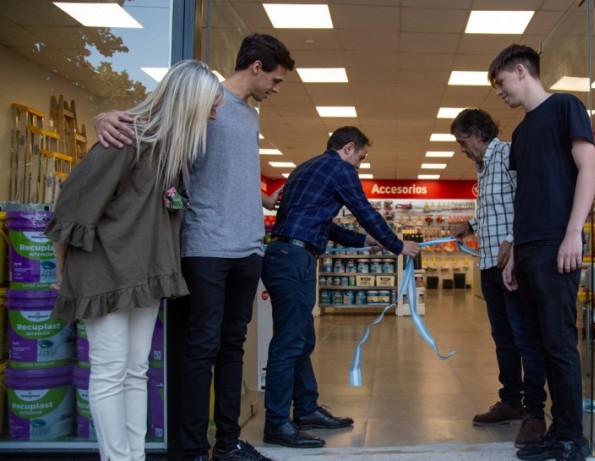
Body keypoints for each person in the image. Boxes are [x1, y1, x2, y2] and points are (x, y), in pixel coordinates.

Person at [94, 33, 295, 461]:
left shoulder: (250, 116)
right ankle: (189, 449)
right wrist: (104, 116)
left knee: (232, 347)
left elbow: (224, 170)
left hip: (248, 248)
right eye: (275, 81)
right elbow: (148, 122)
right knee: (199, 350)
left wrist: (260, 199)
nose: (276, 90)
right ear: (256, 67)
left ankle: (227, 442)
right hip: (204, 248)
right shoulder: (205, 98)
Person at [46, 60, 224, 461]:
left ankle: (134, 455)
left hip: (146, 274)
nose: (215, 115)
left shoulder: (173, 155)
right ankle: (117, 458)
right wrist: (62, 271)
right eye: (211, 107)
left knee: (135, 371)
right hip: (104, 271)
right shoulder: (125, 139)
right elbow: (72, 208)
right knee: (110, 371)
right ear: (189, 104)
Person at [262, 126, 421, 448]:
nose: (359, 165)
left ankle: (305, 409)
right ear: (349, 148)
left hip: (287, 254)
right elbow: (364, 210)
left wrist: (365, 241)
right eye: (361, 158)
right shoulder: (339, 168)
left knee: (301, 339)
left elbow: (324, 225)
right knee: (288, 343)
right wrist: (396, 245)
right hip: (294, 259)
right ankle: (276, 423)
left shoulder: (305, 168)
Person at [489, 44, 595, 461]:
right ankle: (558, 430)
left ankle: (573, 439)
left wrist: (574, 233)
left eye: (500, 83)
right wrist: (515, 251)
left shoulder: (565, 108)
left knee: (558, 343)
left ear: (521, 71)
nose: (499, 92)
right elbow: (525, 195)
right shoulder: (520, 133)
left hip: (559, 244)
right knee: (538, 343)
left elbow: (590, 168)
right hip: (530, 247)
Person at [450, 108, 548, 448]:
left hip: (512, 264)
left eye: (463, 142)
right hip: (489, 264)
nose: (462, 149)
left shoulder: (508, 153)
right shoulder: (482, 167)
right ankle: (511, 401)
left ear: (478, 133)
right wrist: (470, 226)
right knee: (503, 337)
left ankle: (536, 413)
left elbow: (526, 201)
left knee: (524, 337)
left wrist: (512, 239)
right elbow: (495, 209)